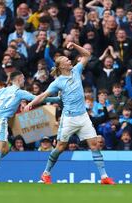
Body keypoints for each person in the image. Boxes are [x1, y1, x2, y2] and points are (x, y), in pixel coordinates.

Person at [24, 42, 115, 185]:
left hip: (83, 117)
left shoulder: (77, 70)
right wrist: (31, 103)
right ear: (62, 66)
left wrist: (75, 45)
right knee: (60, 147)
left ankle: (104, 177)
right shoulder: (58, 82)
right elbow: (43, 95)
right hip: (69, 118)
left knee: (94, 145)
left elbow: (87, 55)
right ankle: (46, 174)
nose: (69, 60)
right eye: (66, 60)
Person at [0, 70, 59, 183]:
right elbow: (39, 98)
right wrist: (57, 99)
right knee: (0, 149)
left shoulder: (4, 90)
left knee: (6, 149)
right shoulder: (20, 92)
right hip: (1, 120)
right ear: (19, 79)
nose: (24, 81)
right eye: (23, 79)